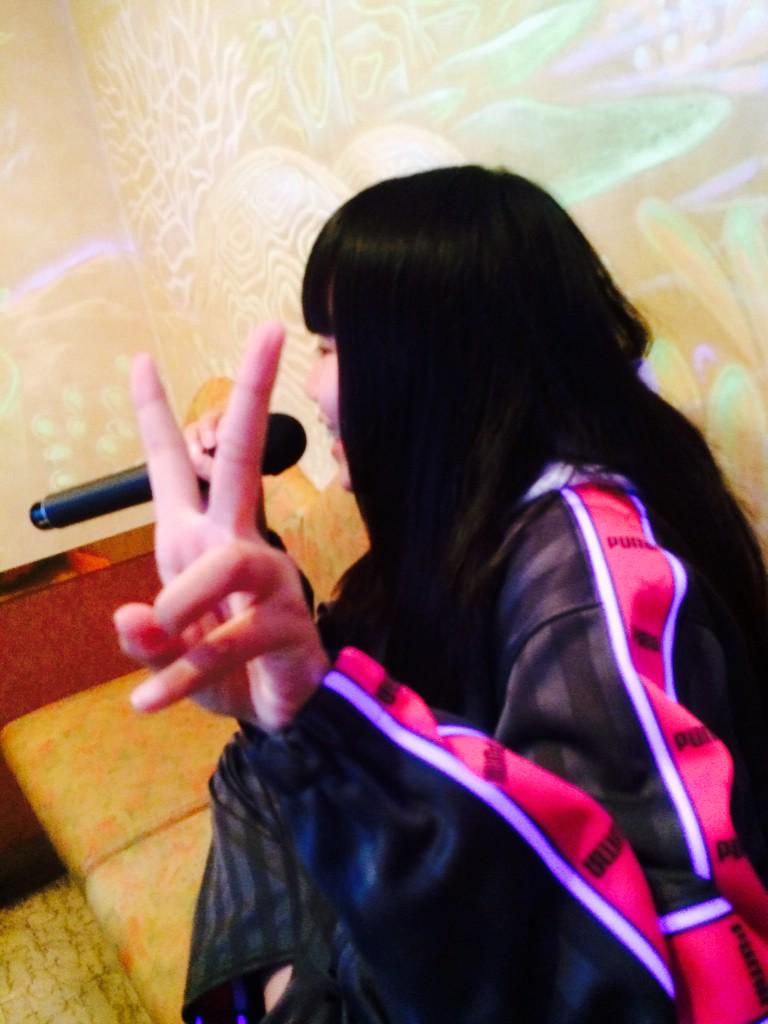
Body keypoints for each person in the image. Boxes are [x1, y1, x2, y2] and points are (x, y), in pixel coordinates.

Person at [114, 166, 768, 1024]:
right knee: (263, 762)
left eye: (333, 346)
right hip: (453, 929)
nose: (312, 387)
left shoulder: (584, 572)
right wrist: (253, 572)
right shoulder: (475, 513)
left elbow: (638, 962)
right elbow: (359, 670)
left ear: (437, 360)